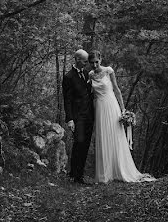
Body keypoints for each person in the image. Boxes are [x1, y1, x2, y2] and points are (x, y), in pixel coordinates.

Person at [88, 50, 156, 183]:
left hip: (112, 105)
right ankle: (105, 173)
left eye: (96, 62)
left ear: (100, 59)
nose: (95, 65)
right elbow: (90, 94)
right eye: (92, 63)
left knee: (115, 135)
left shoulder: (108, 71)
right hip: (99, 108)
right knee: (103, 137)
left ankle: (120, 169)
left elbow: (117, 89)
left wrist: (123, 109)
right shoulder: (90, 75)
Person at [62, 48, 94, 184]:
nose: (87, 64)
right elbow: (67, 100)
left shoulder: (87, 74)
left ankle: (78, 174)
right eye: (85, 61)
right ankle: (74, 175)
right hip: (77, 117)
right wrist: (69, 119)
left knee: (85, 145)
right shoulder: (68, 77)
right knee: (78, 143)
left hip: (89, 116)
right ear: (77, 60)